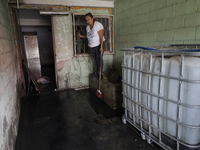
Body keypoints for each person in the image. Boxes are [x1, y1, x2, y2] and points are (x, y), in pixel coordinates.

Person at [78, 12, 105, 79]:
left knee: (99, 59)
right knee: (95, 60)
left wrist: (101, 47)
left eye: (89, 19)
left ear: (92, 18)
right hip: (92, 46)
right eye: (86, 20)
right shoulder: (87, 27)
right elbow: (89, 36)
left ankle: (100, 73)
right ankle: (96, 73)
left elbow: (101, 37)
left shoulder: (98, 25)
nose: (88, 21)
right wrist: (81, 36)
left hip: (99, 45)